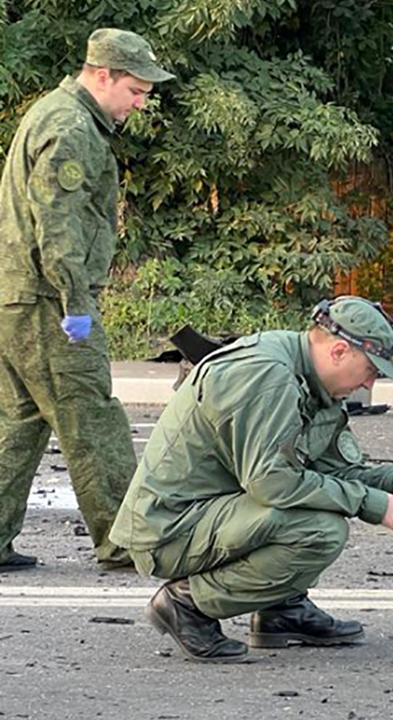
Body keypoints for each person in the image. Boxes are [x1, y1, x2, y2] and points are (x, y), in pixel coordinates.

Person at [110, 296, 393, 662]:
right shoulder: (268, 375)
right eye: (371, 370)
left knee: (316, 508)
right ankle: (187, 604)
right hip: (169, 528)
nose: (370, 383)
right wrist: (371, 504)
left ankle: (281, 610)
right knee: (319, 530)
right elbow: (272, 482)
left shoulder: (312, 379)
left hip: (213, 512)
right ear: (340, 351)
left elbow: (330, 468)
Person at [0, 29, 175, 573]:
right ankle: (127, 540)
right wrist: (75, 301)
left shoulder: (54, 113)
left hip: (18, 296)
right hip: (49, 301)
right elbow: (59, 224)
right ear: (103, 75)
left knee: (19, 422)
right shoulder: (72, 127)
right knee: (92, 419)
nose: (140, 103)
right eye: (136, 90)